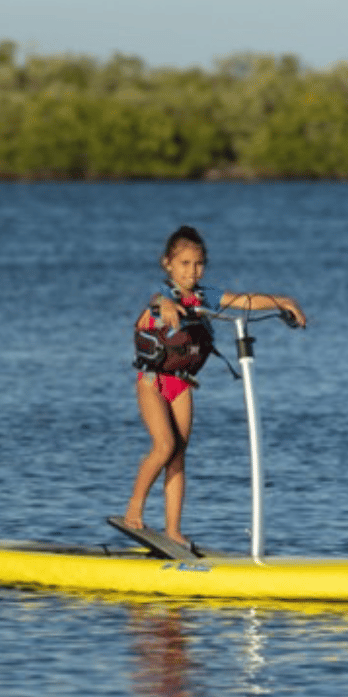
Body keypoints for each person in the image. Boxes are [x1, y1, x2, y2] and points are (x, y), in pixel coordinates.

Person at [122, 225, 306, 548]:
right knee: (164, 446)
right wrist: (164, 306)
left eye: (198, 264)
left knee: (179, 454)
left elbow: (244, 300)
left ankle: (173, 531)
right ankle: (134, 508)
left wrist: (281, 302)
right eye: (184, 264)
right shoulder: (160, 292)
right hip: (152, 382)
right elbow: (155, 301)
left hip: (181, 384)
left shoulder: (204, 296)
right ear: (168, 264)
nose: (192, 271)